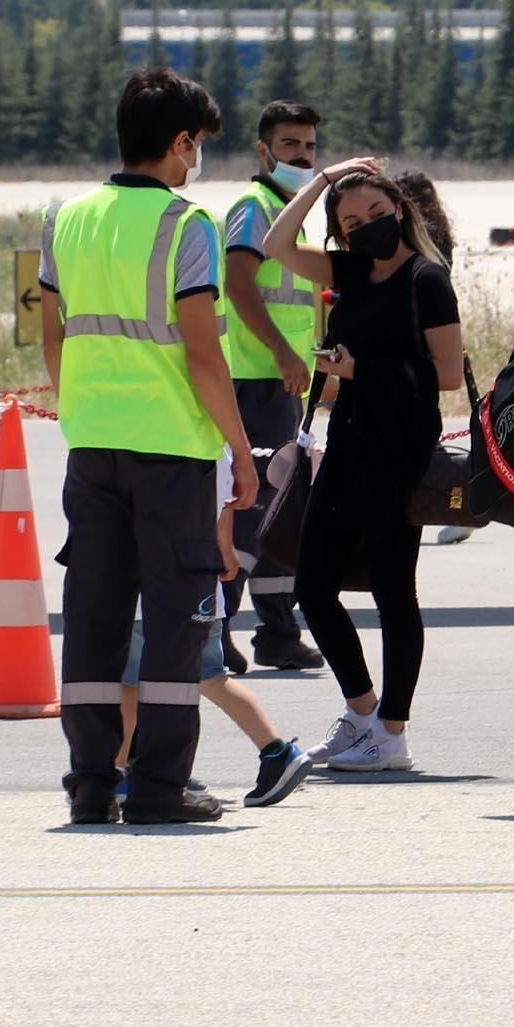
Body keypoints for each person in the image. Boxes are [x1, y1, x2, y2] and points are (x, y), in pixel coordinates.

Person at [39, 67, 256, 829]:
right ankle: (162, 786)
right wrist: (241, 448)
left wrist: (84, 410)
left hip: (91, 447)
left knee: (94, 616)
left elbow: (52, 335)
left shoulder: (64, 217)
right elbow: (203, 352)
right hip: (170, 451)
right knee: (175, 619)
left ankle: (92, 783)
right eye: (197, 146)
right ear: (180, 142)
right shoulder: (186, 225)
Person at [259, 159, 464, 775]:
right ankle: (362, 712)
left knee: (394, 592)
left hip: (397, 453)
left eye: (378, 212)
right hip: (346, 444)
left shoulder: (427, 279)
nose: (369, 225)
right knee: (313, 586)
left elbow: (448, 375)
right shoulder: (349, 270)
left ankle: (392, 733)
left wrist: (359, 369)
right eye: (352, 221)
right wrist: (324, 180)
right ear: (341, 234)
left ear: (399, 210)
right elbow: (275, 246)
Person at [113, 449, 311, 808]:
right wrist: (225, 549)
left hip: (154, 585)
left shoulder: (150, 443)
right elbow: (224, 508)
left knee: (131, 680)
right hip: (201, 581)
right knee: (210, 676)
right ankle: (275, 751)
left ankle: (120, 769)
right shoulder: (215, 445)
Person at [217, 99, 325, 674]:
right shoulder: (255, 208)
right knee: (249, 506)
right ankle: (217, 627)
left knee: (283, 506)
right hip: (255, 379)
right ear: (263, 151)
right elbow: (238, 284)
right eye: (290, 145)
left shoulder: (292, 213)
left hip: (284, 382)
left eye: (308, 145)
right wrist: (284, 352)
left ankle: (279, 631)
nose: (302, 155)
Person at [394, 170, 476, 548]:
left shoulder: (416, 240)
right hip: (434, 342)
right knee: (423, 431)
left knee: (417, 435)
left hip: (413, 344)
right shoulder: (440, 236)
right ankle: (455, 501)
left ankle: (455, 500)